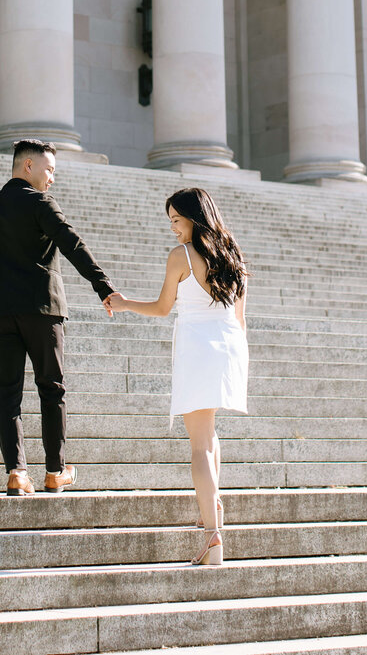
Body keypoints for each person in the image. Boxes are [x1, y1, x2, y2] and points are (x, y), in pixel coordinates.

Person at [104, 187, 249, 566]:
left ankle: (212, 538)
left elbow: (162, 308)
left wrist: (123, 303)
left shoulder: (181, 256)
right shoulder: (232, 253)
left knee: (199, 444)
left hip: (198, 346)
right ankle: (210, 509)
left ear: (193, 217)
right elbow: (240, 317)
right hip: (231, 346)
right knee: (210, 434)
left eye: (176, 220)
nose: (173, 228)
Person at [0, 138, 116, 496]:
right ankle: (54, 471)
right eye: (49, 169)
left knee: (7, 394)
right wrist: (104, 286)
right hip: (42, 310)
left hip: (0, 314)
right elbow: (72, 243)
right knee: (52, 389)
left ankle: (17, 473)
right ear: (28, 166)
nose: (52, 178)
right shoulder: (39, 203)